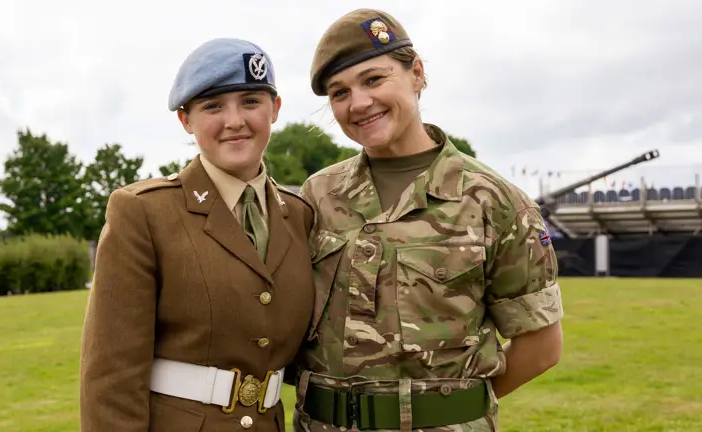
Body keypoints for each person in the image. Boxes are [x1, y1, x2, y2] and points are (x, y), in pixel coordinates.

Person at [292, 9, 564, 432]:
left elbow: (541, 346)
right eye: (339, 92)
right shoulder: (318, 196)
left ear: (416, 73)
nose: (359, 103)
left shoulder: (493, 199)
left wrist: (444, 410)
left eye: (373, 79)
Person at [79, 38, 316, 432]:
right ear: (186, 121)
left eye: (251, 101)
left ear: (275, 109)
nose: (235, 120)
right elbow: (111, 375)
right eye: (212, 106)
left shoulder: (300, 216)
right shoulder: (144, 213)